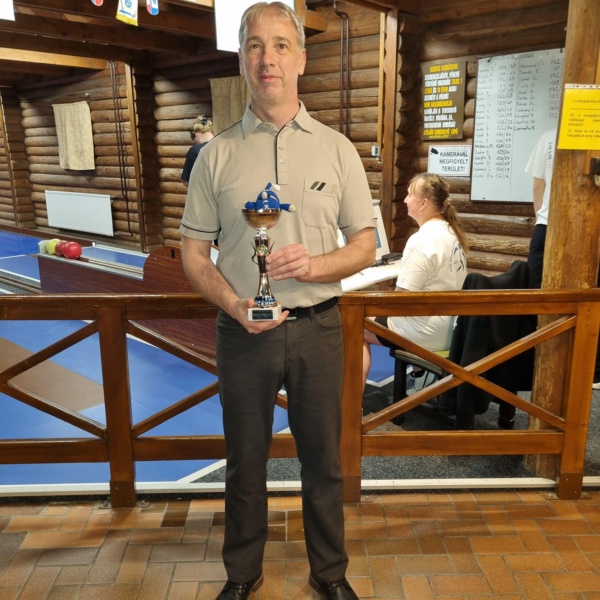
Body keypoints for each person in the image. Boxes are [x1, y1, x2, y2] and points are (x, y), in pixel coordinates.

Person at [179, 3, 376, 599]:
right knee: (245, 462)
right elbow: (194, 254)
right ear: (242, 59)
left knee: (324, 462)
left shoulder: (337, 149)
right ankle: (242, 574)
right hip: (243, 333)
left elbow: (365, 245)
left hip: (319, 327)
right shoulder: (214, 155)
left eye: (281, 45)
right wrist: (235, 305)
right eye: (256, 46)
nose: (268, 58)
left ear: (302, 58)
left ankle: (330, 574)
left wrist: (316, 266)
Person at [362, 173, 469, 390]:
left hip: (427, 333)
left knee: (353, 325)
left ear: (423, 204)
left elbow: (401, 300)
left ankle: (352, 401)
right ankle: (421, 376)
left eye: (410, 195)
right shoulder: (451, 232)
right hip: (452, 328)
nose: (404, 200)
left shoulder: (422, 240)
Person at [525, 127, 557, 289]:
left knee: (537, 287)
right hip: (591, 228)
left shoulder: (549, 136)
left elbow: (538, 186)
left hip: (546, 224)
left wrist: (541, 217)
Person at [180, 114, 214, 187]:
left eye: (195, 141)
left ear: (196, 135)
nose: (196, 143)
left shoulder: (195, 150)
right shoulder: (225, 145)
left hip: (205, 192)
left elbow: (186, 181)